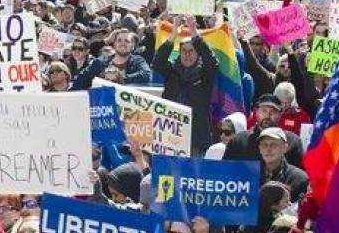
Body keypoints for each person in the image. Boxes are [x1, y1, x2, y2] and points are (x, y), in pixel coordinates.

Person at [154, 17, 218, 155]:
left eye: (191, 51)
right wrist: (173, 34)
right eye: (184, 51)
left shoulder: (204, 73)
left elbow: (211, 61)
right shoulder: (171, 71)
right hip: (170, 135)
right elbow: (157, 62)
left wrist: (193, 31)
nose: (187, 55)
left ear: (198, 53)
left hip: (195, 139)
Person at [223, 94, 305, 168]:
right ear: (257, 112)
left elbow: (301, 176)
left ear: (280, 115)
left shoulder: (293, 142)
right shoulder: (239, 141)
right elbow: (225, 171)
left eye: (273, 112)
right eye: (264, 110)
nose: (268, 115)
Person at [72, 29, 152, 89]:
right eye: (119, 40)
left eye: (127, 41)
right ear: (114, 44)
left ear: (132, 46)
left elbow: (147, 75)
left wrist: (121, 77)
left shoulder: (138, 61)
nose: (122, 43)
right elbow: (80, 80)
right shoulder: (101, 61)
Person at [257, 128, 308, 202]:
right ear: (259, 149)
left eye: (273, 145)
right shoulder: (249, 175)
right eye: (264, 145)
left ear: (285, 148)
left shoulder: (299, 179)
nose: (268, 149)